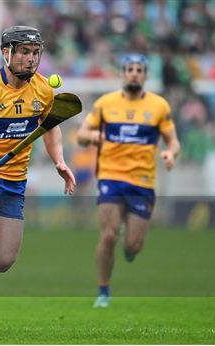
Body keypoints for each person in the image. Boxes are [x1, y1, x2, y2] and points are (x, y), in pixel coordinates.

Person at [0, 26, 75, 336]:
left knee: (3, 261)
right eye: (23, 52)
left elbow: (51, 127)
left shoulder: (44, 90)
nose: (30, 59)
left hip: (14, 180)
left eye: (35, 53)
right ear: (6, 53)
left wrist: (59, 160)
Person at [77, 54, 180, 308]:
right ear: (122, 74)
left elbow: (173, 140)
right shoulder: (105, 104)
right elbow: (81, 135)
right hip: (110, 176)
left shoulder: (159, 106)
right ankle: (103, 292)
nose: (134, 73)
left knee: (133, 245)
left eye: (139, 69)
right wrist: (95, 136)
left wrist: (170, 153)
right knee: (109, 235)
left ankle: (130, 247)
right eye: (129, 69)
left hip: (142, 180)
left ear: (145, 75)